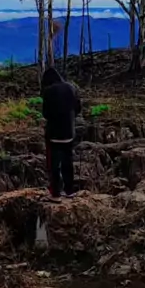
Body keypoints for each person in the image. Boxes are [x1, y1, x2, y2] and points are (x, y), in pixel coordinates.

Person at [41, 66, 81, 201]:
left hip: (54, 135)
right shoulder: (71, 88)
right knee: (68, 162)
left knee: (54, 164)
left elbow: (45, 114)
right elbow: (78, 108)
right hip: (69, 133)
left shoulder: (48, 92)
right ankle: (69, 191)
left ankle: (56, 194)